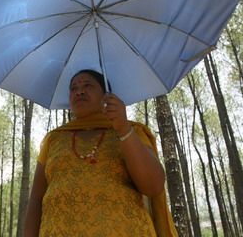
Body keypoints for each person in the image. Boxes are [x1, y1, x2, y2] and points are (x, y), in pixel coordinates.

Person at [23, 69, 178, 236]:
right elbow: (36, 200)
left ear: (106, 95)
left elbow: (153, 186)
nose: (79, 91)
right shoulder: (53, 139)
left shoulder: (132, 131)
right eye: (73, 88)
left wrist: (123, 129)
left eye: (88, 85)